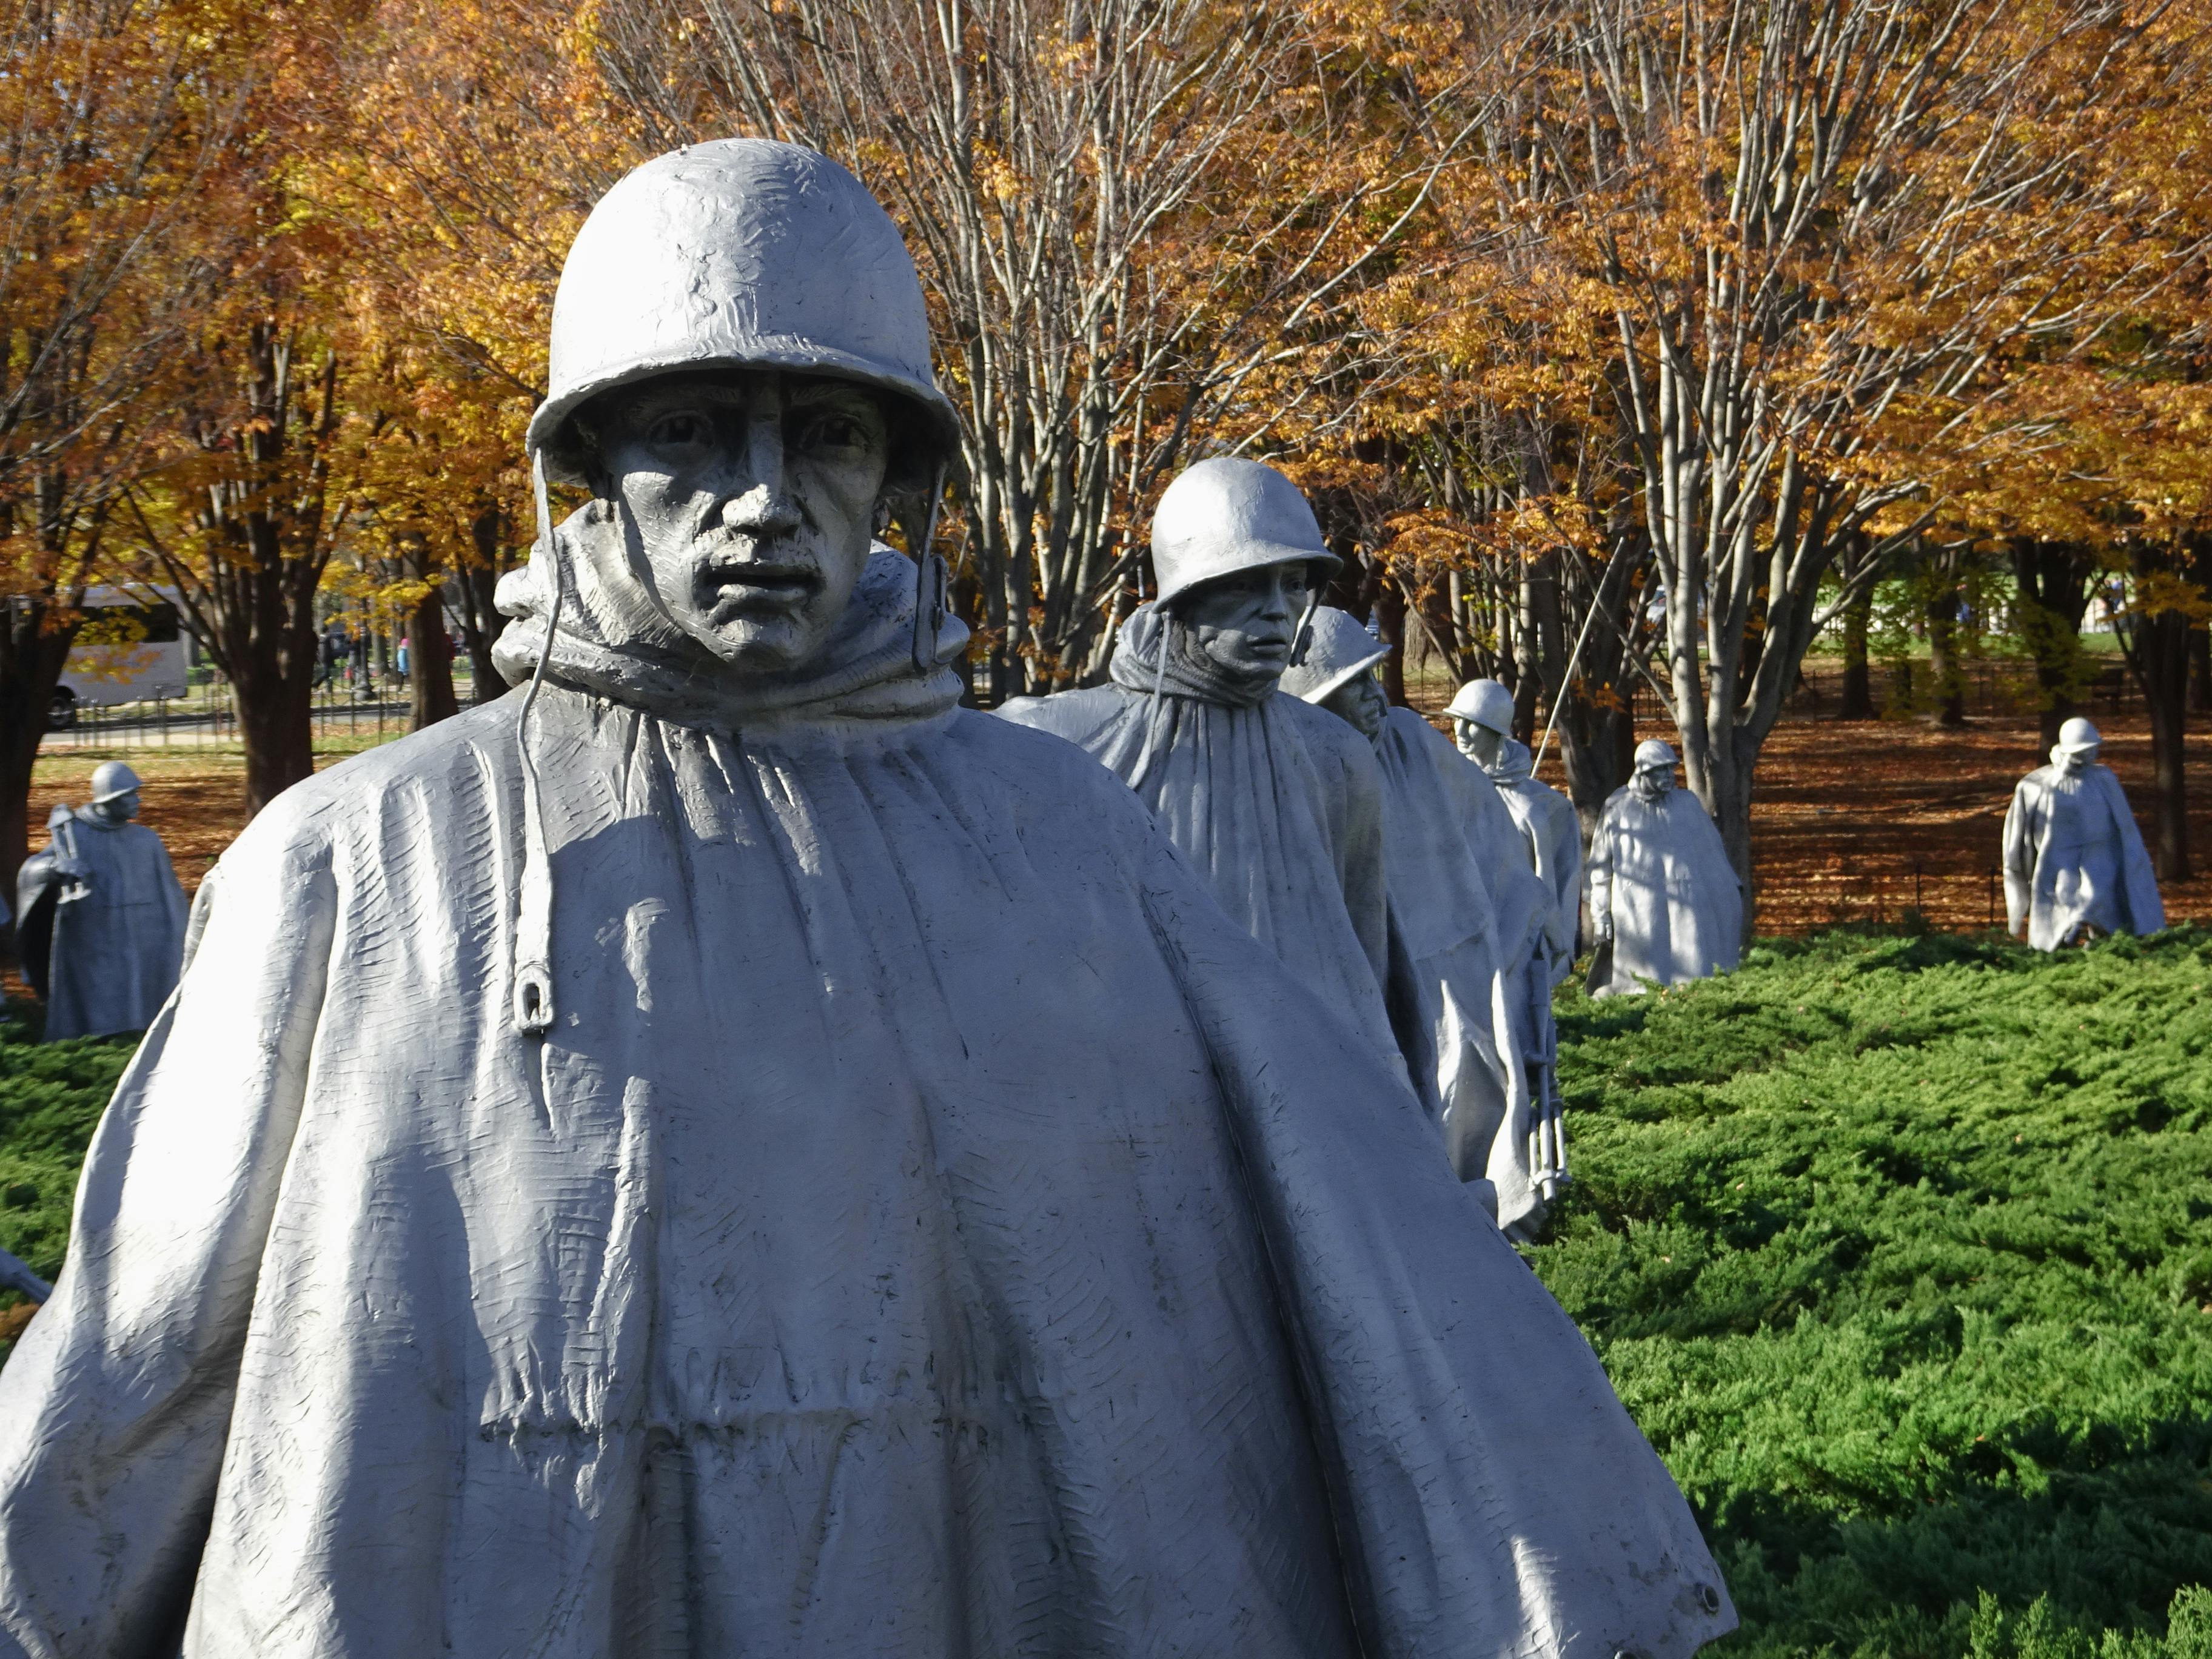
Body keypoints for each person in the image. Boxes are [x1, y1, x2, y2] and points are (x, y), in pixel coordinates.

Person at [0, 141, 1732, 1659]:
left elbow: (1364, 1229)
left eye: (825, 432)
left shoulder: (1062, 838)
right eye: (690, 428)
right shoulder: (354, 860)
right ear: (589, 464)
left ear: (899, 477)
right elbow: (136, 1362)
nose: (765, 496)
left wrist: (1549, 1555)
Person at [997, 458, 1404, 1069]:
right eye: (1245, 583)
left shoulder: (1337, 757)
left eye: (1294, 584)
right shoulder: (1055, 742)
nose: (1276, 610)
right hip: (1127, 1086)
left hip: (1310, 1084)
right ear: (1184, 593)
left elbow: (1366, 963)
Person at [1285, 612, 1564, 1233]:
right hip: (1364, 974)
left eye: (1372, 678)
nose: (1373, 696)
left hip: (1456, 958)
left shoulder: (1411, 740)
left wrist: (1527, 911)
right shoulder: (1296, 768)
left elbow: (1487, 827)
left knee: (1472, 1078)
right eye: (1349, 687)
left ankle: (1485, 1212)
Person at [10, 761, 187, 1041]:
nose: (137, 801)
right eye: (129, 795)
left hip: (143, 936)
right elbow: (30, 872)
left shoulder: (146, 840)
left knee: (143, 996)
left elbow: (171, 894)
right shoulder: (75, 834)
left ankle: (142, 1039)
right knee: (98, 1002)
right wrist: (55, 868)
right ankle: (98, 1044)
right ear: (110, 799)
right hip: (94, 936)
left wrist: (180, 936)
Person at [1586, 739, 1744, 997]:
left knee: (1692, 972)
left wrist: (1727, 896)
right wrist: (1600, 912)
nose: (1669, 776)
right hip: (1636, 907)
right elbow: (1600, 865)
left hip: (1687, 906)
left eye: (1671, 769)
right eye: (1661, 770)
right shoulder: (1619, 807)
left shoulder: (1687, 804)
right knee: (1639, 982)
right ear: (1643, 771)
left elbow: (1710, 856)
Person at [1450, 679, 1584, 970]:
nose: (1460, 732)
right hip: (1455, 927)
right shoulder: (1445, 789)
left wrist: (1554, 940)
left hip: (1511, 935)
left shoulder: (1528, 808)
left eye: (1471, 724)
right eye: (1457, 721)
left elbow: (1544, 883)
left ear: (1494, 732)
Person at [2003, 716, 2163, 950]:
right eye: (2085, 751)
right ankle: (2060, 955)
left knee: (2104, 914)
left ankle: (2105, 952)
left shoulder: (2104, 780)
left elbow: (2125, 829)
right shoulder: (2038, 786)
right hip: (2058, 865)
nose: (2091, 755)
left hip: (2102, 862)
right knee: (2060, 918)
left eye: (2093, 750)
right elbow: (2019, 837)